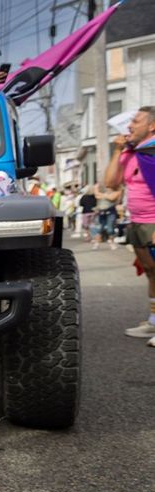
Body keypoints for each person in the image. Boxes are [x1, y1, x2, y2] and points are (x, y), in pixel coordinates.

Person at [104, 106, 155, 344]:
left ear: (151, 126)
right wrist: (117, 150)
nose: (130, 126)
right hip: (136, 221)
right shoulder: (132, 152)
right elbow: (111, 183)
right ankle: (154, 322)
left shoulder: (152, 151)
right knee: (151, 271)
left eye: (136, 121)